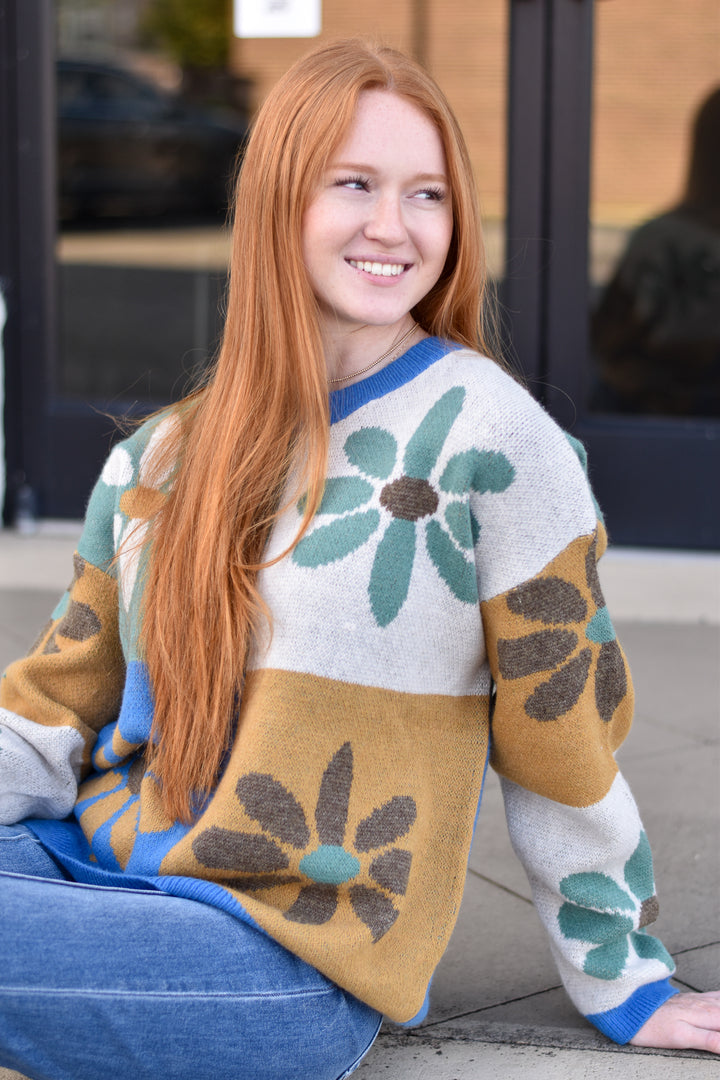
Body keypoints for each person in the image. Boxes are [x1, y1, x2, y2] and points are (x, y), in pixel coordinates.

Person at [1, 38, 718, 1080]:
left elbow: (561, 738)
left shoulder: (493, 442)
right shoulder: (159, 456)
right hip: (109, 879)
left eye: (427, 194)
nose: (394, 226)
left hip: (287, 962)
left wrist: (626, 979)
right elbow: (53, 707)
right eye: (355, 184)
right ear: (279, 203)